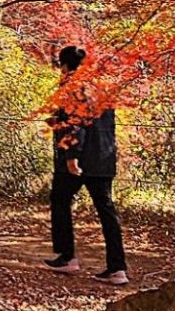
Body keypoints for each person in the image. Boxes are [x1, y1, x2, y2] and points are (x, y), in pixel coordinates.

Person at [45, 45, 128, 285]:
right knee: (106, 211)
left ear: (65, 65)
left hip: (78, 158)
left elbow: (78, 121)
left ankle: (67, 256)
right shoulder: (103, 89)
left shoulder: (72, 85)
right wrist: (59, 120)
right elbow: (95, 122)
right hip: (103, 157)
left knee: (60, 199)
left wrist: (72, 155)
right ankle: (117, 268)